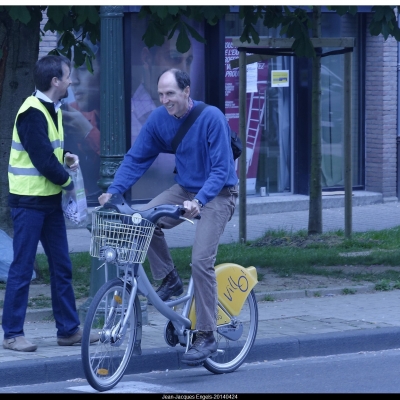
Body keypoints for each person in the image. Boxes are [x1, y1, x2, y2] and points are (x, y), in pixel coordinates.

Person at [99, 68, 238, 366]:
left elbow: (221, 170)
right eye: (161, 94)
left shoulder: (211, 117)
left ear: (187, 91)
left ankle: (207, 334)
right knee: (142, 221)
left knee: (201, 261)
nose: (165, 100)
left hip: (218, 194)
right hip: (186, 189)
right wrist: (113, 192)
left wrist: (199, 201)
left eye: (170, 94)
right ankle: (170, 279)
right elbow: (136, 158)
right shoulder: (159, 120)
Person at [3, 55, 98, 352]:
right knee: (21, 268)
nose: (71, 81)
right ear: (55, 81)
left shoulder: (50, 108)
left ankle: (68, 330)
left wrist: (66, 155)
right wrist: (69, 183)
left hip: (46, 201)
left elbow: (48, 150)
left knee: (62, 266)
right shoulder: (32, 111)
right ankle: (12, 334)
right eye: (68, 76)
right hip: (29, 203)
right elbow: (42, 159)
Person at [62, 42, 101, 202]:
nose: (73, 81)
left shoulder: (129, 111)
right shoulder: (72, 112)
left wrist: (88, 132)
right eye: (71, 72)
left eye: (84, 69)